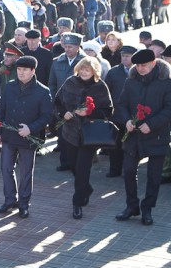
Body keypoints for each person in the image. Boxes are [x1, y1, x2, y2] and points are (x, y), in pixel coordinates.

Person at [115, 49, 171, 226]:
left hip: (157, 135)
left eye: (144, 65)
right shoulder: (131, 81)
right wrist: (126, 121)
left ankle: (147, 209)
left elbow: (169, 109)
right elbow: (121, 105)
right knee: (129, 171)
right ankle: (132, 206)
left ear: (153, 63)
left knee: (154, 177)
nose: (140, 68)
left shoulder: (166, 82)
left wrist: (152, 124)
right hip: (134, 136)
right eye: (137, 65)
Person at [0, 56, 53, 219]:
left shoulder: (42, 91)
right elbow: (0, 110)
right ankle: (9, 200)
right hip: (9, 135)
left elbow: (47, 116)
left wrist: (31, 128)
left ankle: (24, 203)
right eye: (19, 70)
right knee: (6, 169)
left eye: (25, 70)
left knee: (26, 172)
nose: (21, 73)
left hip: (28, 138)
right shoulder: (10, 87)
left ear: (33, 71)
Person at [54, 56, 113, 219]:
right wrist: (62, 113)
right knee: (73, 165)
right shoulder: (70, 82)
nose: (84, 72)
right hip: (70, 132)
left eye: (87, 70)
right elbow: (57, 102)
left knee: (82, 168)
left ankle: (77, 203)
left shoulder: (100, 86)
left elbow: (108, 110)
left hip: (89, 134)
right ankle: (86, 188)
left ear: (94, 71)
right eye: (81, 69)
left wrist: (90, 112)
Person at [49, 32, 84, 172]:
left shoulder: (85, 61)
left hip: (78, 104)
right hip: (61, 104)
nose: (68, 49)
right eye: (66, 46)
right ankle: (65, 162)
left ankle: (78, 162)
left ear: (78, 46)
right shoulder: (57, 61)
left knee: (77, 135)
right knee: (62, 134)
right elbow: (52, 83)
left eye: (71, 46)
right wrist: (52, 100)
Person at [104, 45, 135, 179]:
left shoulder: (138, 71)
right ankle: (114, 169)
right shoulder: (114, 72)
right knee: (115, 145)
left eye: (127, 56)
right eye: (123, 55)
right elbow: (106, 91)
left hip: (133, 116)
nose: (124, 58)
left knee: (130, 145)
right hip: (116, 115)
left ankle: (129, 170)